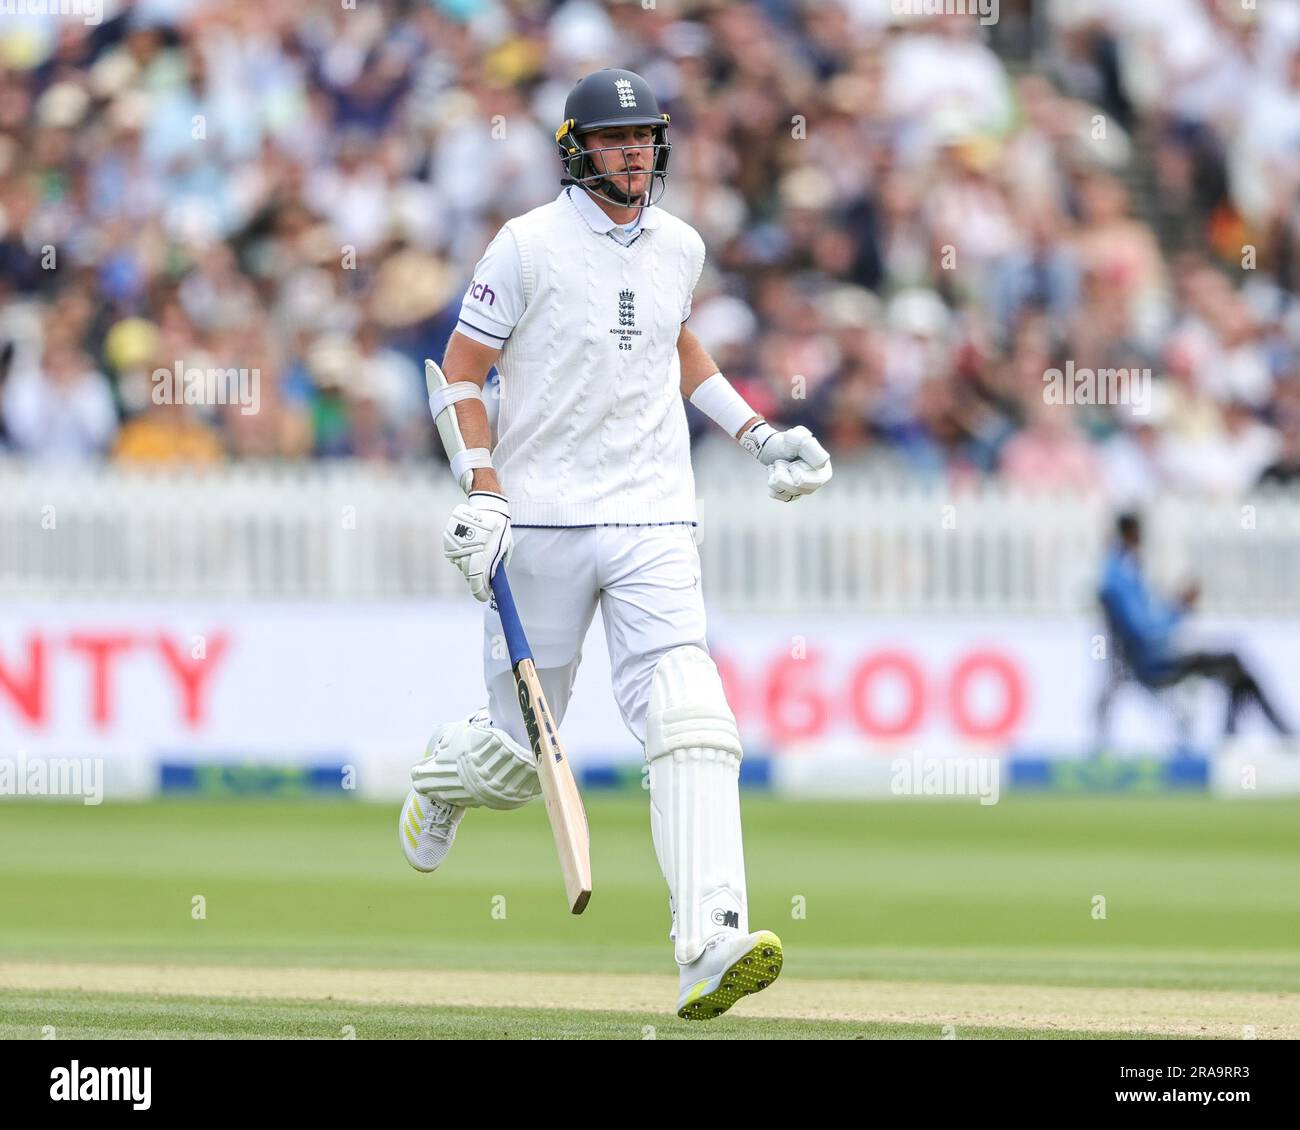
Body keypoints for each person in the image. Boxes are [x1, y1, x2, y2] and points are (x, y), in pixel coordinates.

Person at [398, 69, 832, 1020]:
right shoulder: (524, 245)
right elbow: (461, 372)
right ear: (574, 147)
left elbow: (678, 347)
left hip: (653, 517)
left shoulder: (681, 244)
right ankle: (442, 776)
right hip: (540, 522)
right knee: (517, 760)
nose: (634, 152)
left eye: (646, 137)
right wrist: (482, 489)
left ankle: (709, 941)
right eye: (614, 138)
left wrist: (758, 436)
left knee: (692, 713)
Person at [1098, 512, 1291, 740]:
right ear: (1132, 535)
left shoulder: (1119, 573)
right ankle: (1275, 735)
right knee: (1234, 664)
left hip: (1153, 658)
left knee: (1236, 669)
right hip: (1155, 664)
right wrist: (1179, 608)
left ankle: (1242, 735)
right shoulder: (1120, 578)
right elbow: (1146, 631)